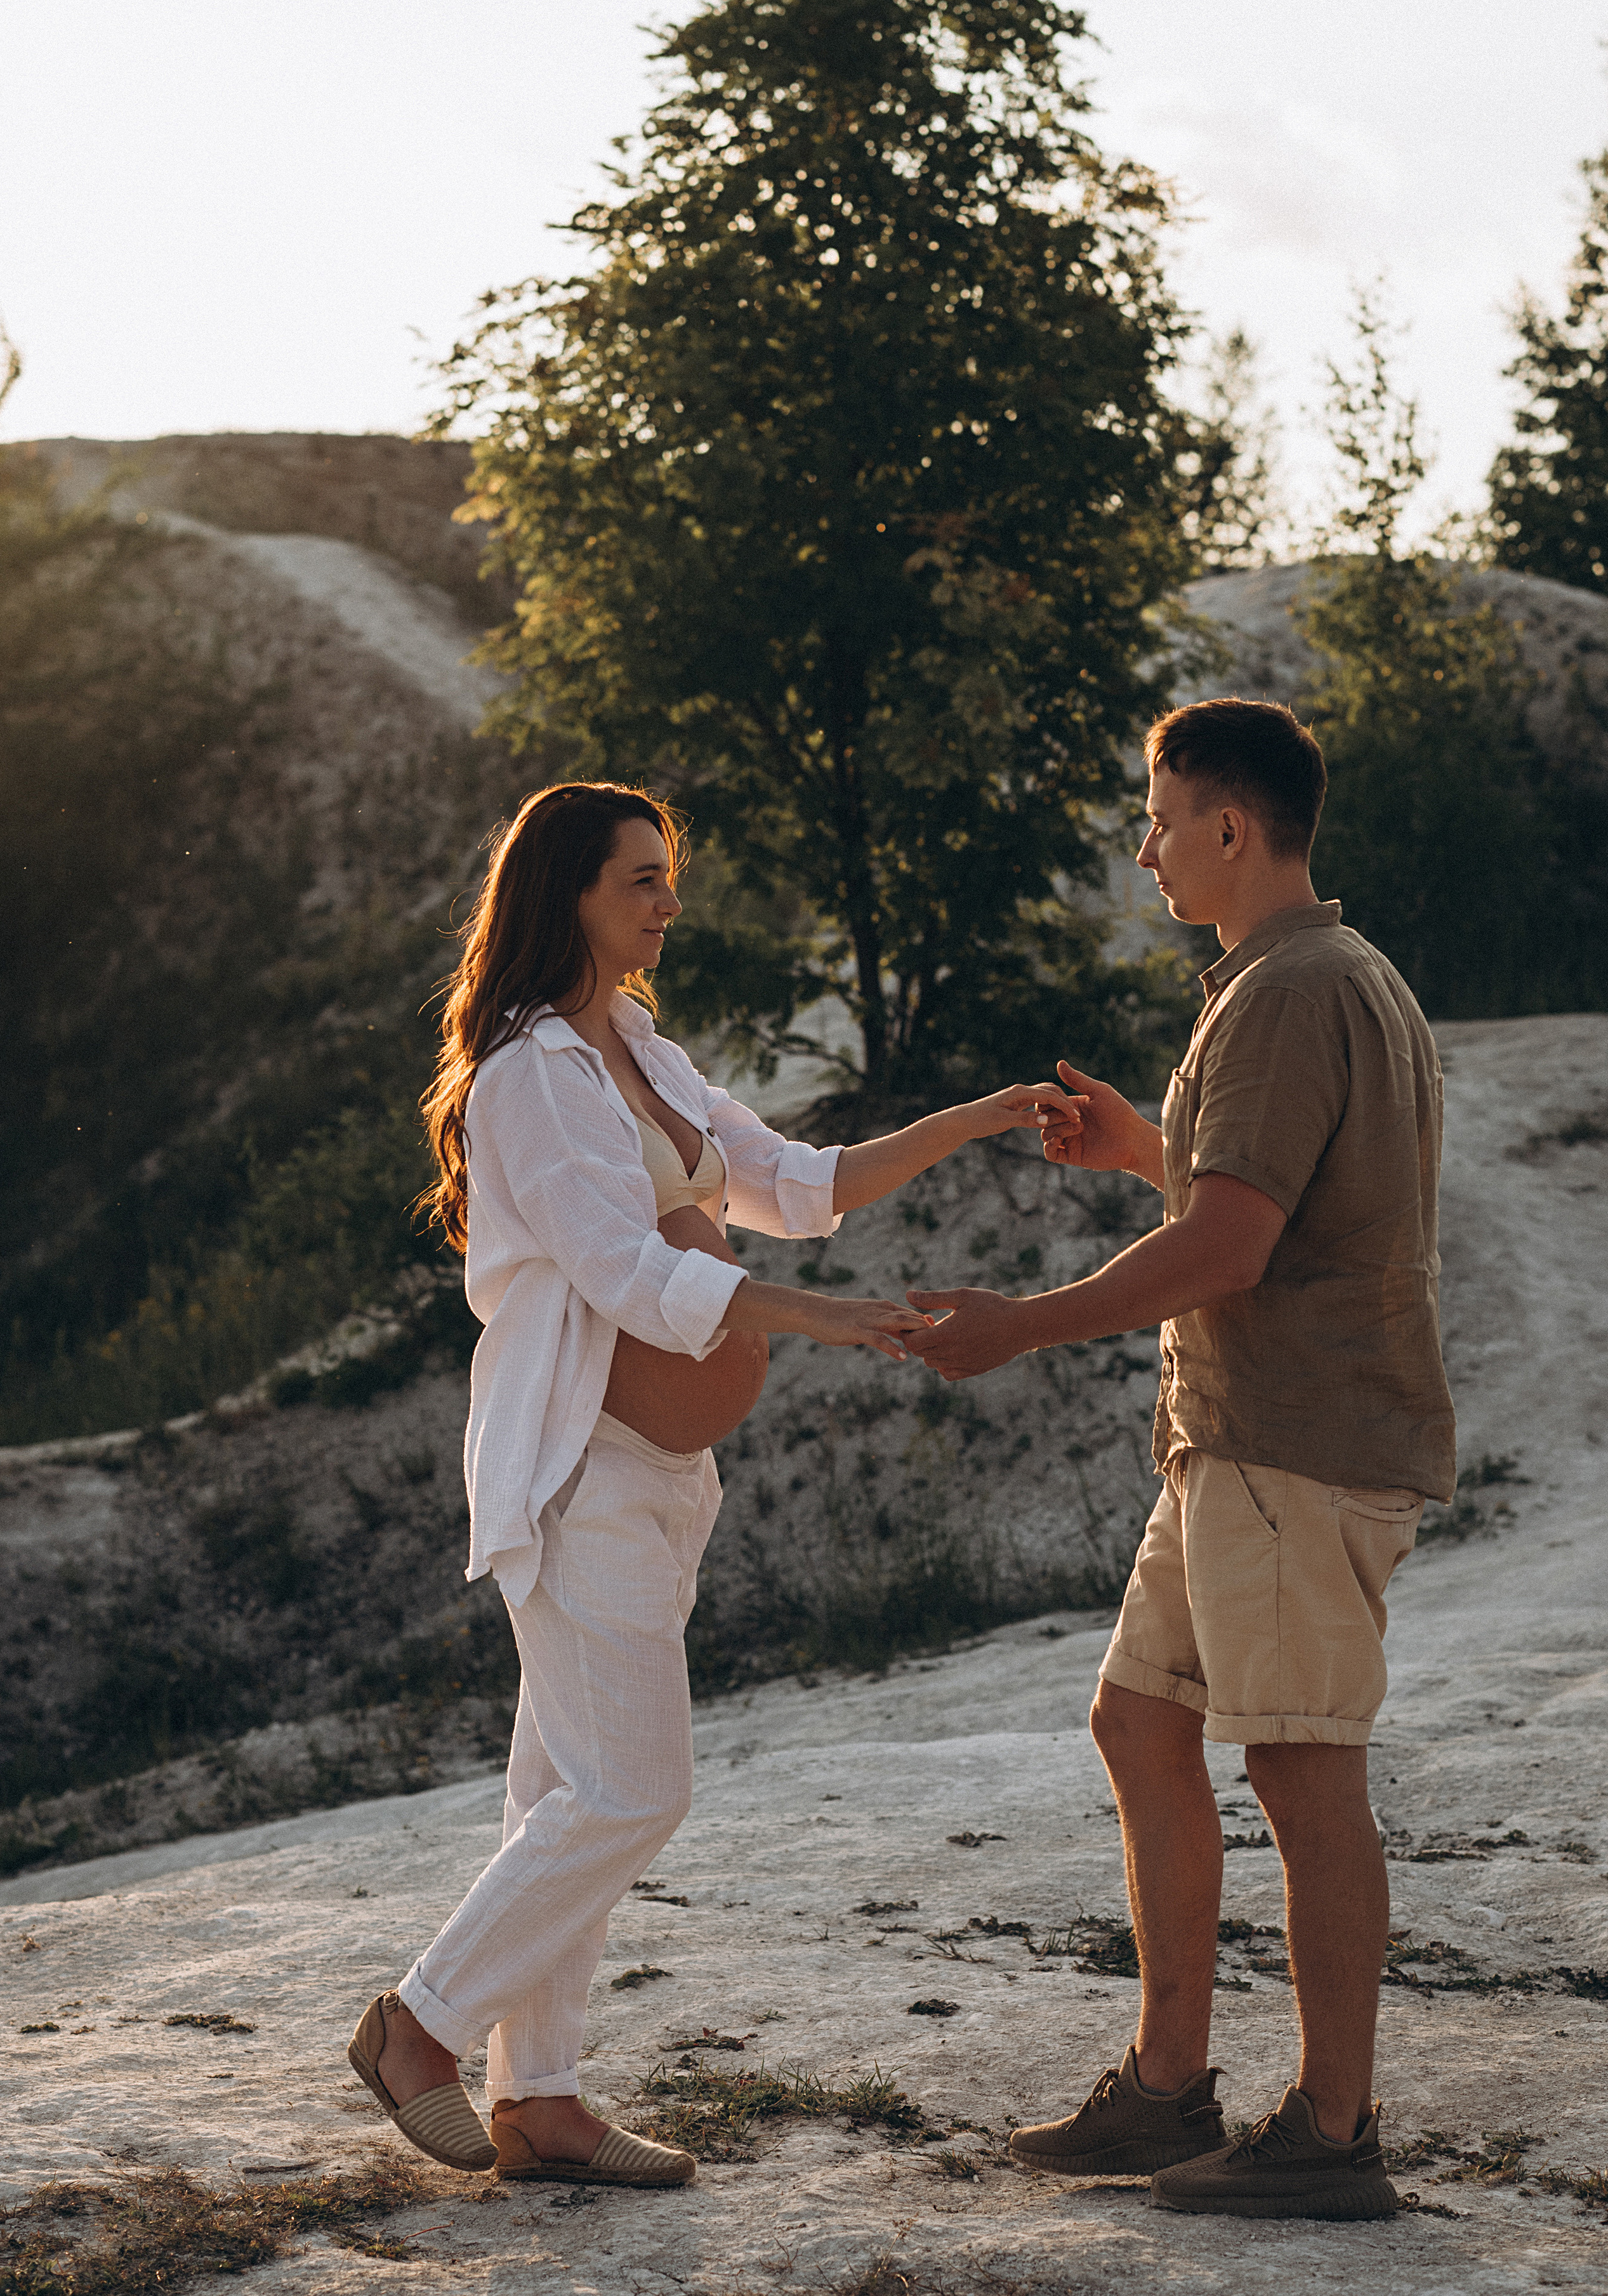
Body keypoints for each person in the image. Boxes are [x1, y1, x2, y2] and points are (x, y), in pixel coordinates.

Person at [346, 780, 1068, 2189]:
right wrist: (829, 1319)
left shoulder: (639, 1048)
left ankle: (538, 2098)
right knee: (633, 1790)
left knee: (563, 1789)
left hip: (663, 1474)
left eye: (668, 877)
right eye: (641, 880)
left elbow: (801, 1179)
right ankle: (417, 2027)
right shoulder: (528, 1076)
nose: (669, 904)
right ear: (565, 892)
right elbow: (629, 1271)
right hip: (577, 1467)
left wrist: (974, 1117)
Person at [906, 699, 1454, 2222]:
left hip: (1292, 1444)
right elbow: (1274, 1195)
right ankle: (1165, 2091)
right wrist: (1138, 1151)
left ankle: (1332, 2134)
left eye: (1156, 820)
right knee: (1140, 1726)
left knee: (1293, 1764)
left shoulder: (1287, 991)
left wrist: (1017, 1324)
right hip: (1230, 1443)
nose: (1142, 848)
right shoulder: (1321, 975)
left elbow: (1230, 1245)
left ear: (1228, 826)